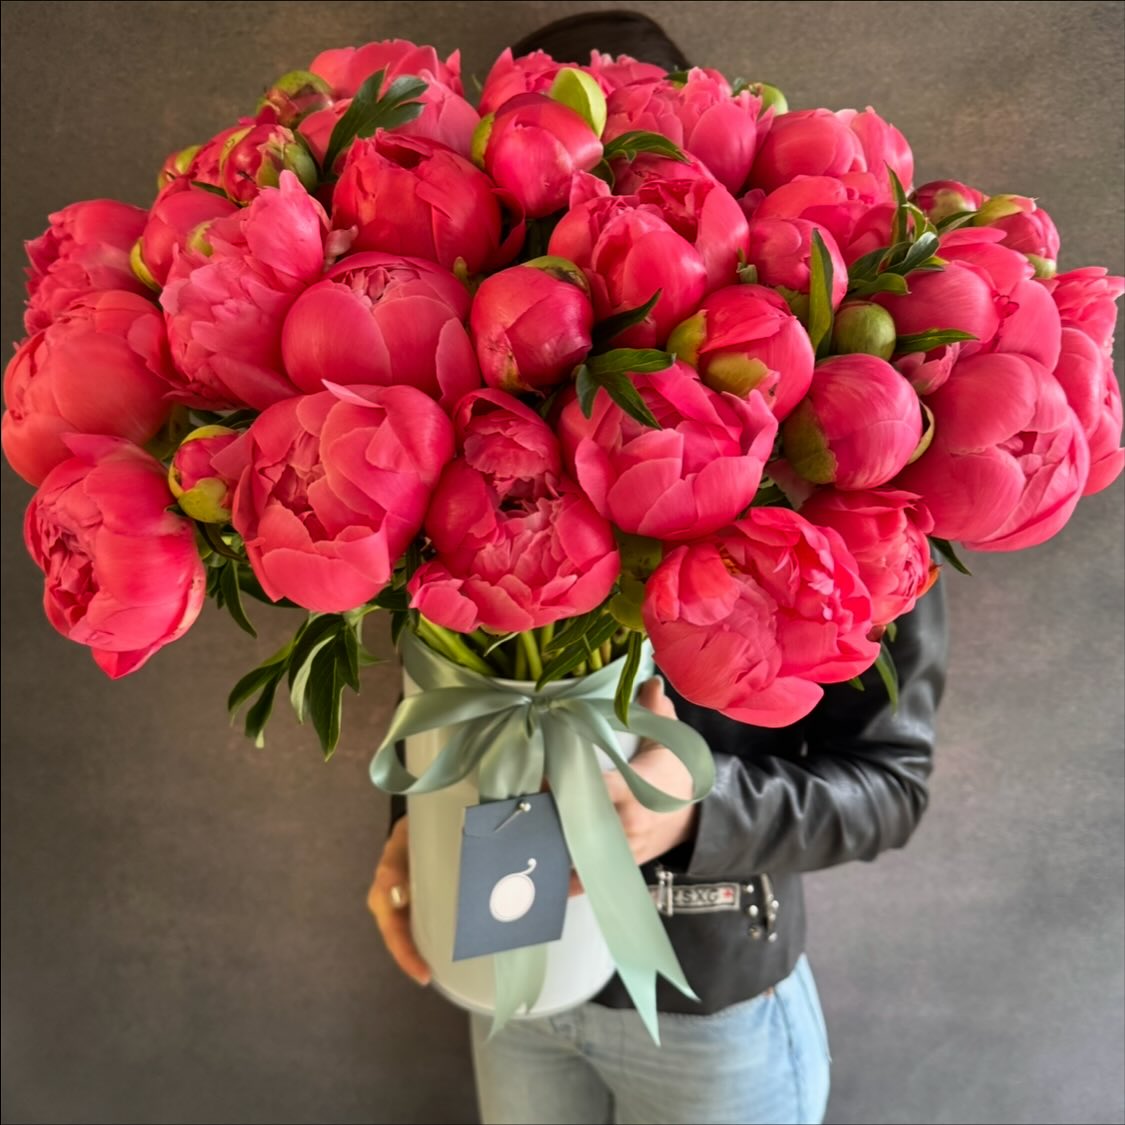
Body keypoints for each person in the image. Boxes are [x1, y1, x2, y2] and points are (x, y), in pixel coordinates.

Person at [367, 13, 951, 1125]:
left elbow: (892, 787)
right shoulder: (468, 442)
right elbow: (450, 671)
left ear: (716, 182)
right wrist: (412, 826)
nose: (601, 210)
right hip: (514, 973)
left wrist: (696, 808)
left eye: (639, 174)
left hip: (715, 1007)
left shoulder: (852, 486)